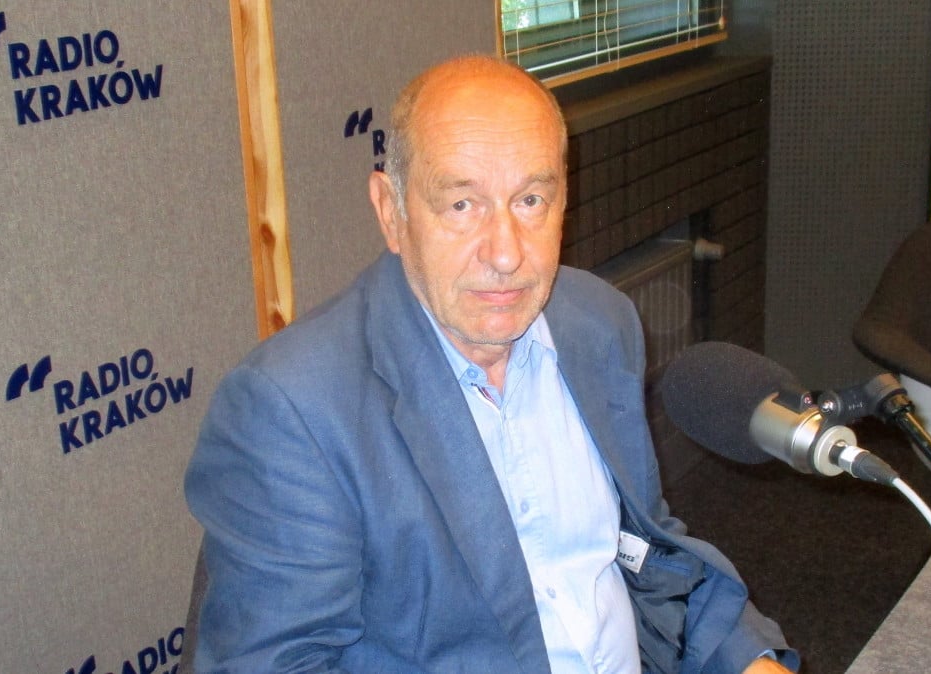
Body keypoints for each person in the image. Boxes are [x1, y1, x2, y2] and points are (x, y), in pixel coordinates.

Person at [184, 54, 799, 673]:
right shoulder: (293, 410)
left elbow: (639, 543)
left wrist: (743, 658)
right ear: (391, 212)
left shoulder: (597, 321)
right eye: (462, 205)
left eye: (530, 200)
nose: (506, 254)